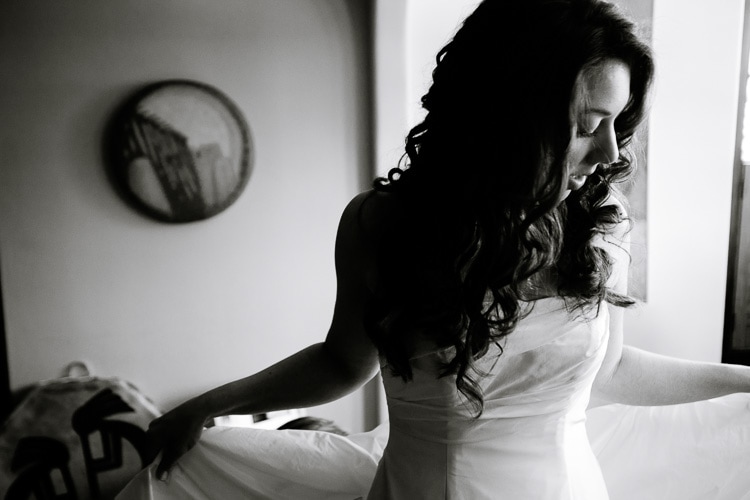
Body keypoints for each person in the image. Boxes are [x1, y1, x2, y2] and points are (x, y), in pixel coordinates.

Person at [118, 0, 750, 498]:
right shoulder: (383, 226)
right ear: (511, 113)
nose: (611, 152)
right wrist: (210, 405)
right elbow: (344, 363)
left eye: (619, 123)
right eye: (588, 125)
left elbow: (608, 370)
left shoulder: (593, 229)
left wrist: (742, 379)